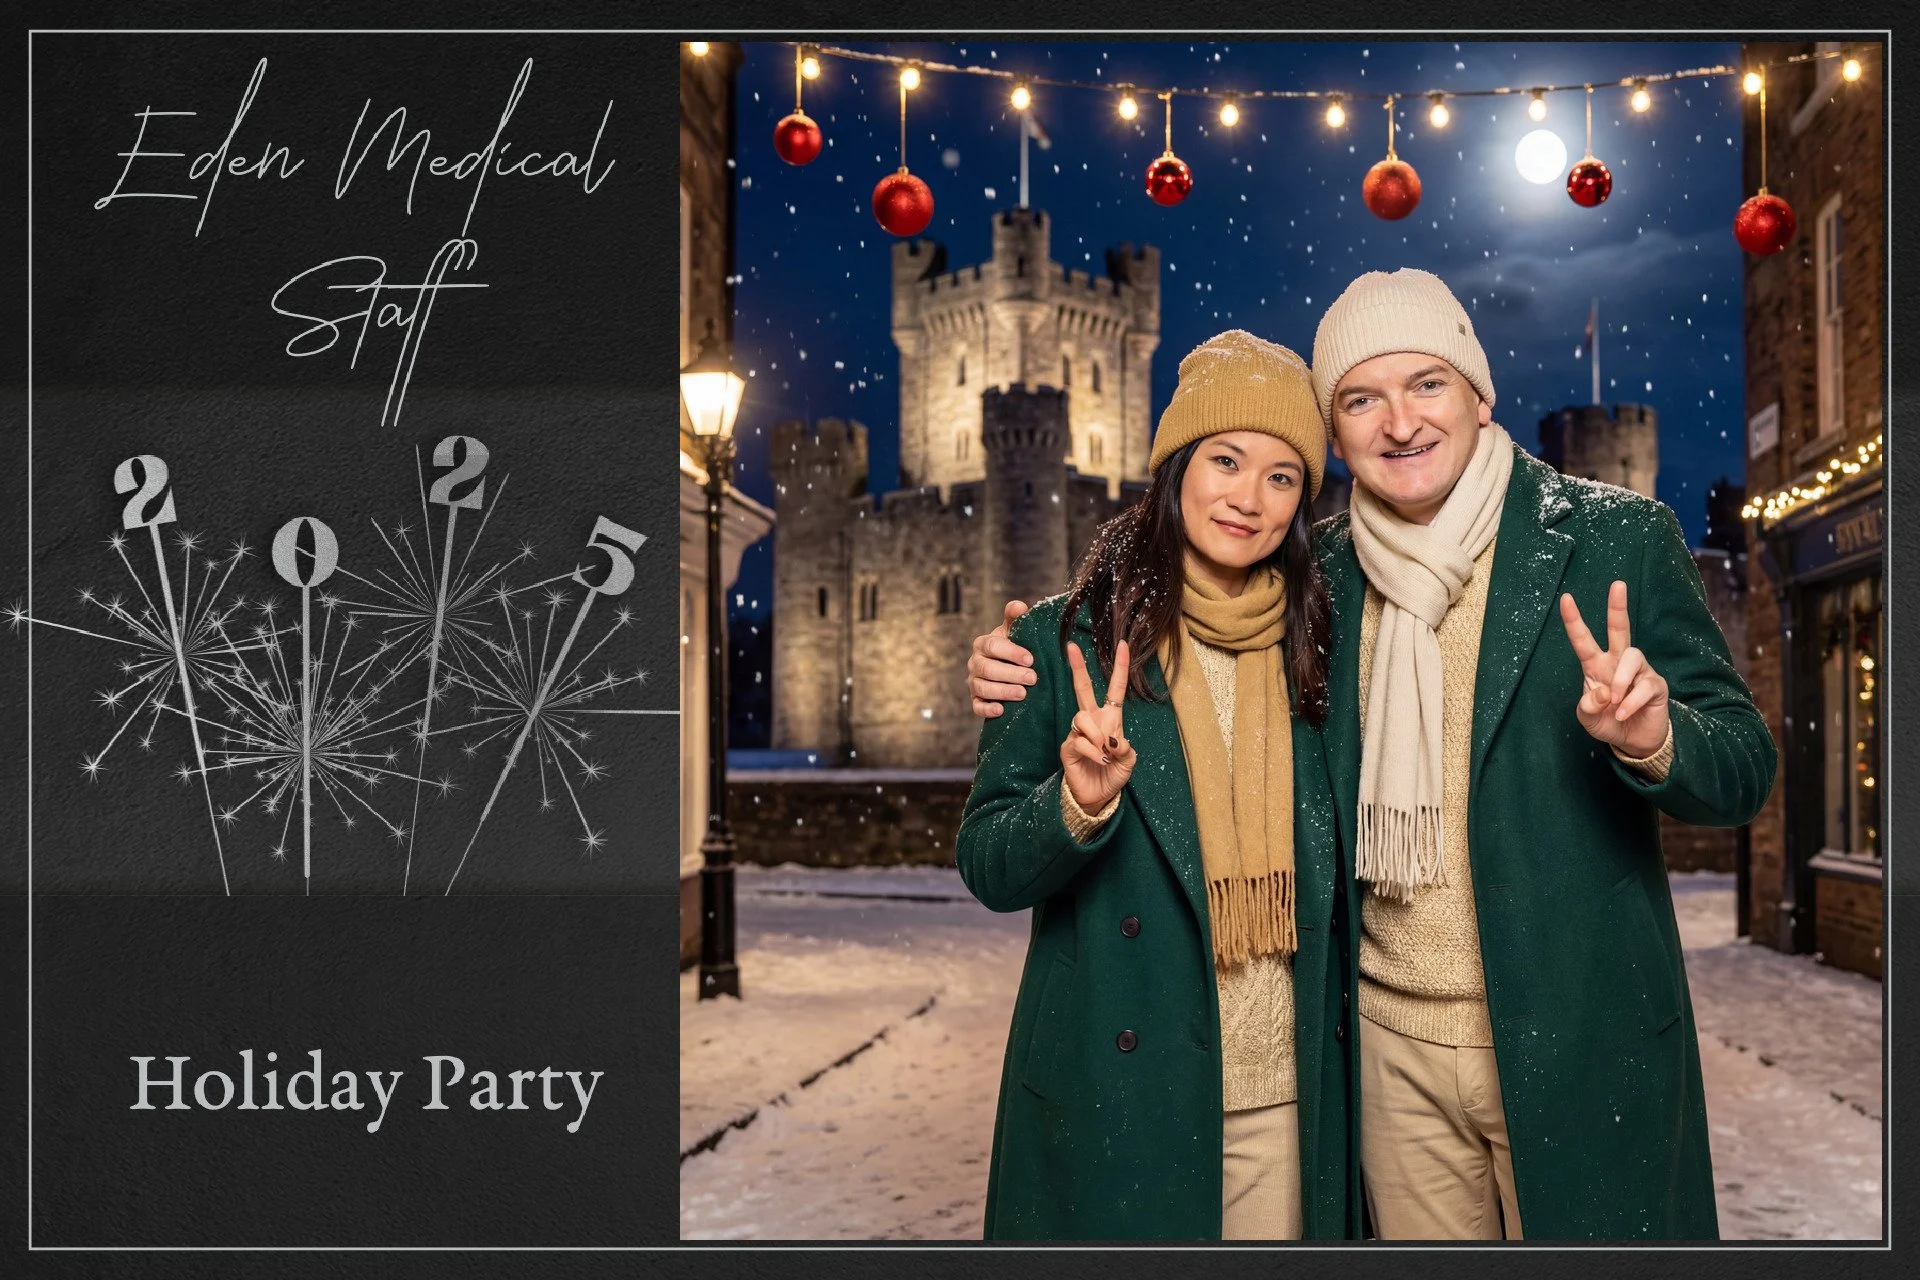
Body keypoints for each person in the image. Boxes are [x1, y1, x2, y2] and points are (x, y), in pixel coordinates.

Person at [965, 269, 1776, 1241]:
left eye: (1426, 384)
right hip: (1385, 1054)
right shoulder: (1327, 582)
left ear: (1480, 395)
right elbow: (1025, 809)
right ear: (1338, 436)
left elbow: (1742, 768)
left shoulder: (1617, 539)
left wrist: (1657, 738)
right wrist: (1022, 687)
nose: (1399, 421)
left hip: (1576, 1040)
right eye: (1360, 399)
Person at [955, 331, 1361, 1241]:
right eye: (1226, 460)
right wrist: (1076, 804)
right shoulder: (1062, 640)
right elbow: (989, 864)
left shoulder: (1327, 642)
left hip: (1290, 1100)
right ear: (1176, 467)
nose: (1249, 498)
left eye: (1282, 476)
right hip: (1121, 1095)